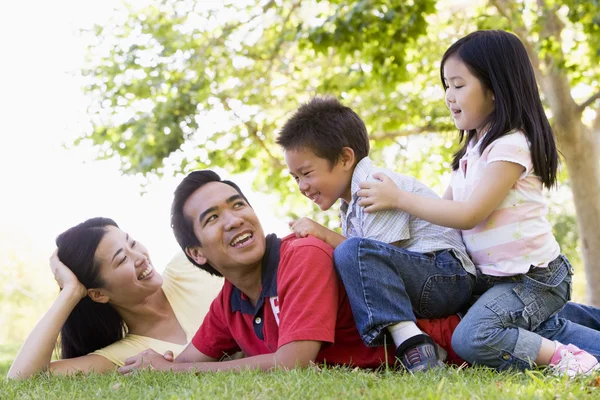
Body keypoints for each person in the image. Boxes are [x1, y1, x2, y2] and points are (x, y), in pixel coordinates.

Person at [356, 30, 599, 376]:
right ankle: (569, 342)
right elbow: (443, 217)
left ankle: (566, 358)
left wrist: (399, 197)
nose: (448, 96)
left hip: (534, 280)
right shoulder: (472, 152)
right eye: (446, 85)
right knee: (543, 329)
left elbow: (469, 215)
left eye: (458, 85)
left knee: (472, 338)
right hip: (498, 282)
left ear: (496, 89)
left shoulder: (511, 146)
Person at [119, 170, 400, 374]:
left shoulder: (303, 254)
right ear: (197, 253)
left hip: (421, 356)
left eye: (238, 205)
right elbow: (186, 362)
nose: (234, 220)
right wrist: (156, 363)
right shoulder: (229, 300)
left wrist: (169, 371)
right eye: (213, 218)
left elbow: (293, 362)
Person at [276, 96, 476, 372]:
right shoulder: (349, 206)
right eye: (295, 178)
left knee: (351, 252)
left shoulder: (375, 186)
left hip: (445, 275)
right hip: (424, 280)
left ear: (346, 158)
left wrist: (323, 234)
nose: (301, 186)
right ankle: (419, 341)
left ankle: (413, 345)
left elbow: (370, 258)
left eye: (306, 173)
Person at [7, 217, 221, 379]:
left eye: (132, 243)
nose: (140, 257)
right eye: (121, 259)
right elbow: (22, 378)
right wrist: (70, 291)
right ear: (99, 294)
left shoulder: (191, 264)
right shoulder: (126, 356)